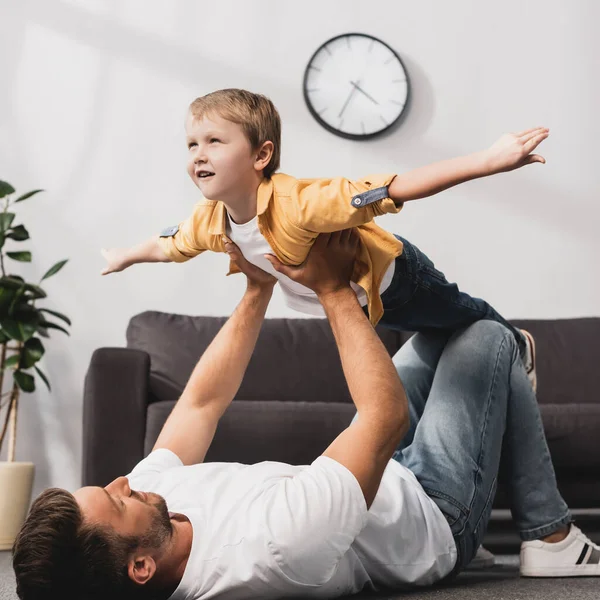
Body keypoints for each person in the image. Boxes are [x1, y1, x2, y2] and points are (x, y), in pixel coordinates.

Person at [13, 232, 599, 600]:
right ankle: (548, 533)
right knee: (486, 338)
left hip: (378, 474)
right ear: (141, 567)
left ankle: (507, 391)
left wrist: (255, 292)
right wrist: (333, 288)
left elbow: (199, 404)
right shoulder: (270, 551)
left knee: (442, 332)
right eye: (115, 501)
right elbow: (383, 416)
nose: (124, 482)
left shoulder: (148, 505)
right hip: (436, 515)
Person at [100, 88, 542, 390]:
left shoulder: (302, 202)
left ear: (261, 155)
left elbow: (395, 187)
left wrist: (487, 161)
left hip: (399, 277)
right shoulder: (211, 220)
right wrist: (126, 256)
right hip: (366, 307)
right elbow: (168, 245)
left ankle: (518, 342)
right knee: (439, 334)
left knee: (462, 315)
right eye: (192, 144)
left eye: (214, 141)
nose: (199, 154)